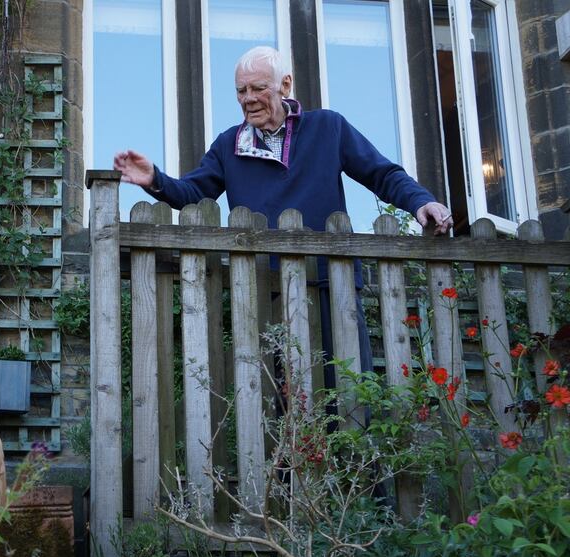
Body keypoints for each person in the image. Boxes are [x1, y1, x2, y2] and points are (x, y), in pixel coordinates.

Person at [113, 46, 452, 424]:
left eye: (258, 88)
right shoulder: (230, 145)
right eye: (241, 91)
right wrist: (155, 180)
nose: (249, 99)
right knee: (281, 408)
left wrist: (421, 202)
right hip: (266, 293)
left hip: (331, 286)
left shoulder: (329, 127)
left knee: (349, 398)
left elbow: (382, 174)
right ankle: (289, 484)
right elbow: (194, 193)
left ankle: (359, 482)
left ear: (285, 84)